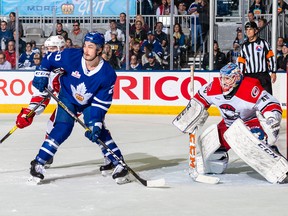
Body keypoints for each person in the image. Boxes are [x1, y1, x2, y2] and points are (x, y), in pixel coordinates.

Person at [29, 32, 129, 184]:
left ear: (100, 50)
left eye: (91, 47)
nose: (86, 50)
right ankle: (38, 163)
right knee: (62, 128)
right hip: (67, 97)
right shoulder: (71, 56)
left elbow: (100, 103)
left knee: (98, 130)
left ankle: (119, 163)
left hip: (89, 104)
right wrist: (41, 74)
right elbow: (48, 59)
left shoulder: (108, 74)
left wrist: (95, 123)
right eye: (85, 46)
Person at [173, 62, 287, 184]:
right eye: (222, 78)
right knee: (211, 150)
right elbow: (199, 99)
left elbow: (271, 104)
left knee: (253, 141)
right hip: (227, 125)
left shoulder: (249, 87)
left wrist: (272, 118)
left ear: (237, 77)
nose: (223, 82)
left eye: (227, 78)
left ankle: (278, 165)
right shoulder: (214, 87)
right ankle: (213, 166)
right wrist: (190, 115)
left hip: (249, 123)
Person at [15, 35, 67, 167]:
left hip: (85, 98)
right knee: (52, 125)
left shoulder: (72, 62)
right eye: (47, 49)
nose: (49, 52)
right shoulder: (45, 68)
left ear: (61, 48)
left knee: (95, 125)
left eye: (53, 48)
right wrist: (29, 112)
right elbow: (41, 95)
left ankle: (111, 156)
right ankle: (47, 155)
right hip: (68, 102)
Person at [237, 21, 276, 95]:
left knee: (267, 98)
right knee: (249, 100)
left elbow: (271, 57)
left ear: (256, 30)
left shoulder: (263, 43)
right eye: (246, 30)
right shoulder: (244, 46)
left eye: (250, 29)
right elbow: (241, 62)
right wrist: (241, 75)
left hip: (262, 76)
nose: (248, 32)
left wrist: (273, 72)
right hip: (249, 77)